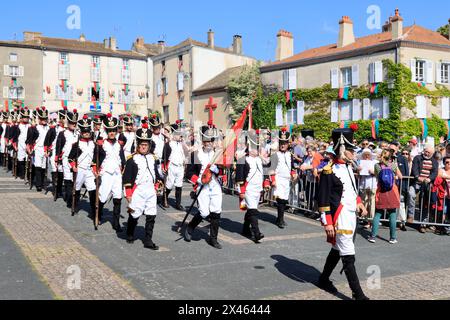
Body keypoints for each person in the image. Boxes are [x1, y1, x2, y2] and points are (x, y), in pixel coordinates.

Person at [317, 128, 369, 300]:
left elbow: (352, 192)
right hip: (340, 219)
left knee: (336, 250)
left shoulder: (347, 167)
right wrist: (328, 223)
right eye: (351, 150)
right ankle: (358, 294)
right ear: (341, 149)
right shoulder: (328, 171)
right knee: (348, 256)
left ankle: (323, 279)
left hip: (351, 215)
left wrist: (359, 203)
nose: (354, 153)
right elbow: (323, 200)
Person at [184, 123, 224, 249]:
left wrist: (217, 170)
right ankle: (190, 227)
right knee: (204, 212)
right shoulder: (195, 154)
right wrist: (199, 180)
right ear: (203, 140)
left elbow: (222, 171)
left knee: (216, 211)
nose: (209, 143)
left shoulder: (217, 154)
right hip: (202, 187)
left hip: (215, 185)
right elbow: (189, 173)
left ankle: (213, 239)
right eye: (206, 140)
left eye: (211, 140)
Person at [123, 126, 163, 250]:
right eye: (141, 144)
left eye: (146, 144)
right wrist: (128, 194)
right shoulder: (131, 159)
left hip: (150, 190)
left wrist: (158, 183)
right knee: (134, 214)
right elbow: (127, 178)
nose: (144, 147)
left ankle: (148, 240)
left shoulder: (154, 158)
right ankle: (130, 233)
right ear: (137, 144)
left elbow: (157, 174)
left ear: (149, 145)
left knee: (151, 215)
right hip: (138, 190)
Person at [92, 114, 126, 232]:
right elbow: (94, 160)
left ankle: (116, 223)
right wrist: (96, 171)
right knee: (102, 197)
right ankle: (99, 215)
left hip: (117, 174)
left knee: (118, 198)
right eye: (110, 130)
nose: (112, 133)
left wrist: (123, 170)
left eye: (114, 130)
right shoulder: (101, 144)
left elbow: (122, 159)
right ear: (106, 131)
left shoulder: (119, 145)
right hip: (105, 174)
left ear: (116, 131)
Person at [236, 129, 265, 244]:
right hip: (247, 189)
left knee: (252, 209)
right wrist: (241, 191)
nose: (256, 149)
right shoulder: (242, 159)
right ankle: (256, 233)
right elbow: (239, 178)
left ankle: (245, 229)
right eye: (254, 147)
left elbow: (263, 173)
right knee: (253, 210)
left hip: (257, 189)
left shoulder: (259, 159)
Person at [368, 149, 402, 244]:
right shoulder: (393, 165)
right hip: (392, 191)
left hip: (381, 191)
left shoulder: (377, 166)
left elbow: (376, 176)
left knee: (378, 214)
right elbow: (400, 176)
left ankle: (373, 236)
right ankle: (392, 238)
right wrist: (394, 176)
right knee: (392, 214)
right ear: (391, 157)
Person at [267, 128, 296, 229]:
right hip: (278, 179)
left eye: (285, 143)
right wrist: (273, 180)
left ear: (288, 144)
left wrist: (293, 173)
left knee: (284, 200)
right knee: (280, 200)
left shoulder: (290, 155)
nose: (283, 145)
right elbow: (272, 169)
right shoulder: (275, 155)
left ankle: (280, 218)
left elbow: (291, 167)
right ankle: (280, 220)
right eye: (281, 143)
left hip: (286, 179)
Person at [68, 116, 96, 217]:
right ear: (81, 132)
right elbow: (70, 158)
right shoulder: (77, 145)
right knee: (77, 189)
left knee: (93, 191)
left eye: (88, 131)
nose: (87, 133)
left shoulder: (94, 144)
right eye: (84, 132)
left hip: (89, 171)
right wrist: (73, 166)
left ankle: (94, 210)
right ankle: (74, 206)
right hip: (79, 169)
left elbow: (97, 158)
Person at [408, 144, 439, 233]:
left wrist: (429, 179)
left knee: (425, 202)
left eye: (429, 152)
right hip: (417, 182)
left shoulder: (434, 161)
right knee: (411, 194)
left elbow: (435, 172)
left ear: (432, 153)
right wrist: (418, 177)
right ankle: (411, 215)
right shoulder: (418, 158)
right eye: (426, 151)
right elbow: (414, 169)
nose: (427, 153)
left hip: (427, 184)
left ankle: (423, 224)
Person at [163, 120, 188, 211]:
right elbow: (164, 157)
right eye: (178, 134)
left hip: (180, 167)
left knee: (179, 185)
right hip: (172, 166)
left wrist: (183, 142)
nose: (180, 136)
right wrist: (164, 167)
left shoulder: (182, 144)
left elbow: (187, 152)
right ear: (173, 134)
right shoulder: (169, 144)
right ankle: (164, 198)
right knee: (169, 185)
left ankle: (178, 204)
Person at [44, 107, 67, 201]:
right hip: (54, 152)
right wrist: (46, 150)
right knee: (55, 169)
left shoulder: (69, 131)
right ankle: (55, 190)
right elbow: (47, 140)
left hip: (64, 153)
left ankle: (60, 189)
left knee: (61, 171)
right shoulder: (54, 129)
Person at [26, 107, 50, 192]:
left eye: (45, 119)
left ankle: (42, 182)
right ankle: (38, 185)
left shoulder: (48, 128)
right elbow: (29, 139)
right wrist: (29, 148)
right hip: (37, 149)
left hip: (45, 149)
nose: (44, 120)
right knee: (38, 167)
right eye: (42, 119)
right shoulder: (34, 128)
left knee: (43, 167)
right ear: (38, 119)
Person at [357, 148, 377, 228]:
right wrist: (358, 171)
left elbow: (380, 172)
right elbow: (358, 175)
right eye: (365, 155)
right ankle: (365, 220)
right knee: (364, 202)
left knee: (371, 203)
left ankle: (371, 220)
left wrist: (374, 172)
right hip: (363, 184)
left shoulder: (375, 162)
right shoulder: (360, 163)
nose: (366, 156)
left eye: (368, 154)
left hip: (372, 184)